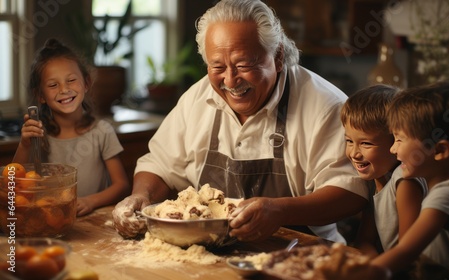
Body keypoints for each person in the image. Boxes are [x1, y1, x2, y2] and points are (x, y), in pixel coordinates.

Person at [112, 0, 368, 243]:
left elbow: (350, 191)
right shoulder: (196, 99)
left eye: (243, 64)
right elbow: (159, 164)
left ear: (277, 56)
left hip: (301, 253)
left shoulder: (325, 106)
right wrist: (141, 197)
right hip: (211, 250)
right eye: (218, 67)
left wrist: (280, 211)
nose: (231, 81)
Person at [322, 80, 449, 279]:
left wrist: (369, 270)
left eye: (399, 139)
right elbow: (368, 241)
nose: (393, 148)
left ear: (440, 150)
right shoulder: (439, 190)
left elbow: (406, 252)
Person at [14, 38, 130, 216]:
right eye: (53, 85)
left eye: (71, 80)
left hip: (93, 221)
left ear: (86, 83)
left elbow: (121, 185)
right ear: (41, 95)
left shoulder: (102, 131)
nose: (64, 89)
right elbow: (14, 183)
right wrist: (25, 144)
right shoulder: (38, 134)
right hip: (50, 219)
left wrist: (90, 201)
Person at [340, 85, 427, 261]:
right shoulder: (375, 180)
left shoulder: (405, 182)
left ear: (395, 140)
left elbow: (408, 254)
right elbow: (364, 241)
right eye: (349, 141)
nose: (354, 153)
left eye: (366, 144)